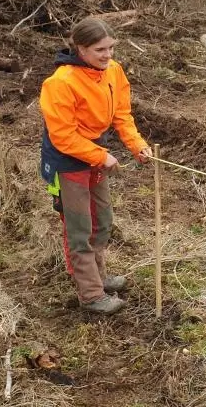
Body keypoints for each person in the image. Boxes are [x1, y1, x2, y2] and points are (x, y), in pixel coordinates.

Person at [39, 17, 152, 315]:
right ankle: (90, 294)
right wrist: (101, 156)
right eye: (100, 49)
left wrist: (136, 145)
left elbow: (122, 115)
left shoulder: (113, 72)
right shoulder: (60, 83)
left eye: (111, 48)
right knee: (79, 228)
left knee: (101, 219)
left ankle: (98, 277)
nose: (108, 55)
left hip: (94, 153)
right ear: (80, 49)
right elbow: (62, 136)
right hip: (67, 161)